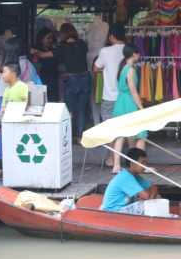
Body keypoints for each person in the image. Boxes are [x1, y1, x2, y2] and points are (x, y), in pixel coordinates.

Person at [32, 23, 90, 141]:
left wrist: (34, 51)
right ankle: (80, 137)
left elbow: (43, 55)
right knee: (82, 109)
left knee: (69, 109)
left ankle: (68, 135)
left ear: (63, 34)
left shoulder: (62, 47)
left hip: (72, 79)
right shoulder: (83, 44)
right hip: (85, 78)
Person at [93, 23, 126, 168]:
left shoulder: (105, 51)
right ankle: (119, 159)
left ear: (111, 37)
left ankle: (113, 159)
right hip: (124, 97)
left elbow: (96, 68)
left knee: (109, 127)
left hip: (109, 96)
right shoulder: (129, 50)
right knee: (123, 128)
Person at [111, 44, 148, 174]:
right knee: (141, 134)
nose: (139, 56)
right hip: (129, 103)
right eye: (138, 53)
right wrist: (141, 107)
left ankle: (116, 166)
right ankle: (139, 165)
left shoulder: (122, 68)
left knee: (120, 136)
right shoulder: (131, 70)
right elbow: (133, 92)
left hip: (120, 103)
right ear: (134, 54)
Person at [101, 148, 159, 215]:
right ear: (132, 163)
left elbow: (154, 187)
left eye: (146, 163)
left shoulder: (134, 176)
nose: (145, 166)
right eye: (142, 162)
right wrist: (150, 199)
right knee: (150, 205)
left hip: (123, 208)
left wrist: (150, 199)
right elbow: (146, 196)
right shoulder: (125, 177)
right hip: (114, 211)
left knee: (154, 202)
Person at [33, 28, 60, 102]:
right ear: (41, 39)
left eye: (51, 38)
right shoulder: (35, 50)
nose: (50, 40)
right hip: (41, 82)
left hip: (53, 82)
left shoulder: (53, 50)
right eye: (48, 38)